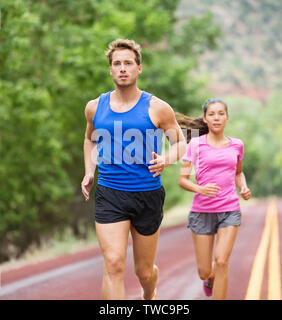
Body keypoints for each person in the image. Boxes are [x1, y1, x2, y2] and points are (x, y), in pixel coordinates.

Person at [81, 39, 186, 300]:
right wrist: (89, 171)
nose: (122, 68)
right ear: (111, 70)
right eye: (117, 63)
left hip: (147, 194)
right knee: (114, 263)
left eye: (128, 63)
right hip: (110, 193)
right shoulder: (95, 107)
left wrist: (165, 158)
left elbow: (181, 143)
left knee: (144, 272)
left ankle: (149, 293)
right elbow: (89, 139)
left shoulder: (157, 108)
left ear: (139, 68)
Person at [177, 98, 251, 300]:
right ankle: (209, 278)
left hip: (229, 210)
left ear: (227, 117)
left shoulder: (237, 145)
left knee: (221, 262)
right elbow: (182, 180)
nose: (216, 117)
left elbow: (238, 173)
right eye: (212, 114)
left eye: (220, 113)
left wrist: (243, 186)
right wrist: (200, 188)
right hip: (202, 212)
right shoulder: (195, 144)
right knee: (204, 270)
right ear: (205, 119)